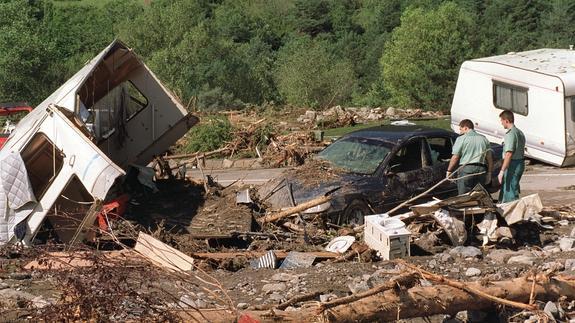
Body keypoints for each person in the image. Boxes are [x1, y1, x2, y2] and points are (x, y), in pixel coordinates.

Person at [447, 119, 493, 195]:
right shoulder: (484, 139)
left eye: (461, 129)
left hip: (466, 170)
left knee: (464, 196)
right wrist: (489, 173)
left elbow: (455, 157)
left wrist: (449, 170)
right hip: (481, 170)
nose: (460, 132)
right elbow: (489, 159)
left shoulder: (461, 139)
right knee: (478, 195)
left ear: (466, 127)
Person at [498, 110, 525, 203]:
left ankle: (514, 215)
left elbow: (508, 154)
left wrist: (502, 171)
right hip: (520, 163)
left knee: (510, 192)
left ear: (506, 120)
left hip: (512, 164)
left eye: (501, 121)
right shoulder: (519, 132)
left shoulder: (511, 134)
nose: (501, 123)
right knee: (512, 188)